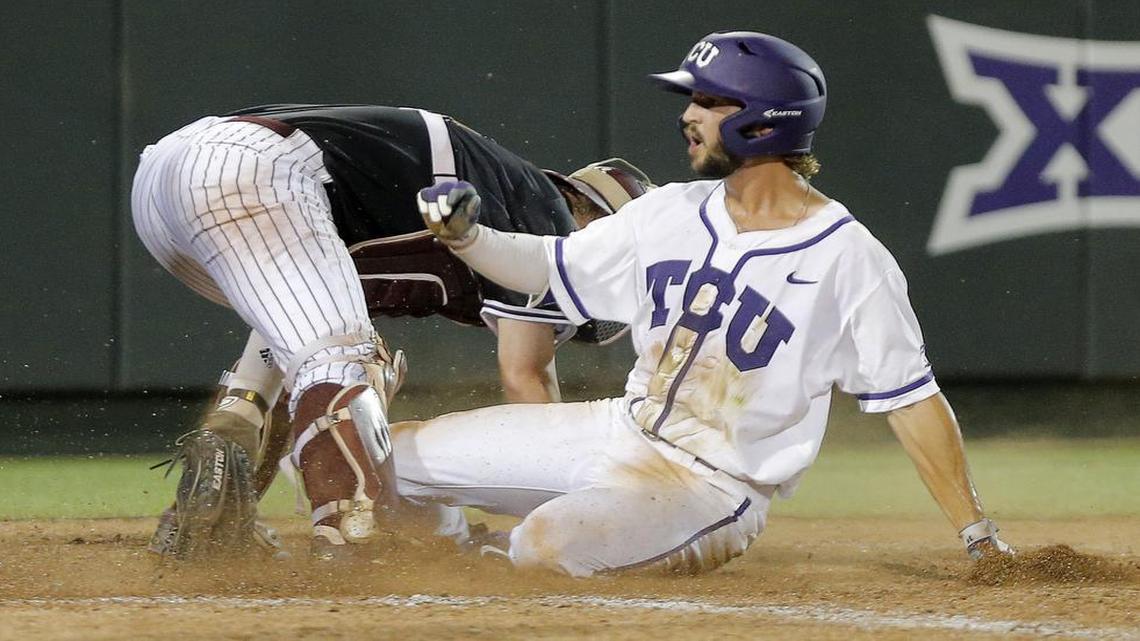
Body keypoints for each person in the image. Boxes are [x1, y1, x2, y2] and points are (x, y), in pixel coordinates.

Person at [399, 30, 1013, 576]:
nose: (689, 116)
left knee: (544, 546)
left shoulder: (848, 258)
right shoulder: (669, 211)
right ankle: (450, 547)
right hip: (617, 429)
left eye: (710, 102)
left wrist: (977, 534)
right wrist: (468, 238)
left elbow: (911, 401)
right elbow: (546, 266)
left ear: (764, 121)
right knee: (380, 455)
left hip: (711, 488)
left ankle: (515, 555)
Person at [130, 103, 653, 560]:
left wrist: (242, 415)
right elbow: (527, 379)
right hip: (250, 170)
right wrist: (559, 518)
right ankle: (356, 540)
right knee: (347, 364)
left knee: (314, 358)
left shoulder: (495, 195)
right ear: (596, 219)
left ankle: (202, 525)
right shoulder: (546, 215)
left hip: (172, 182)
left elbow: (280, 366)